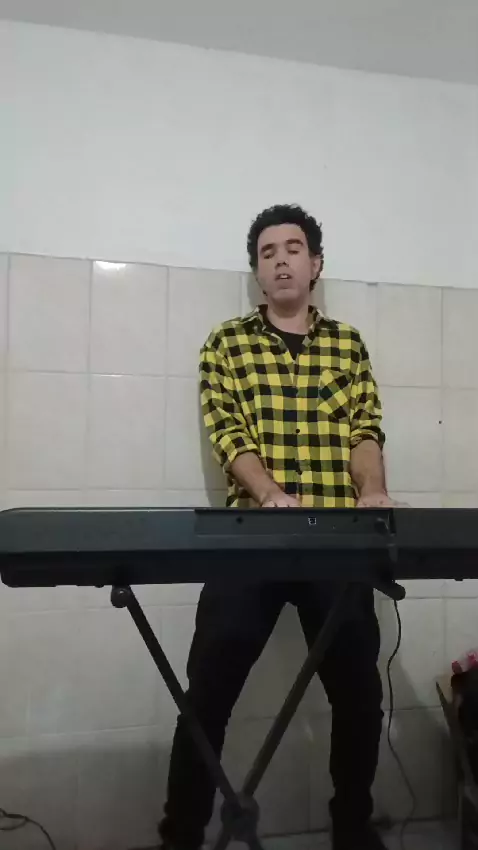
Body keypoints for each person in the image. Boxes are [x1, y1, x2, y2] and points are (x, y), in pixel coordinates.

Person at [159, 204, 394, 850]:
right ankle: (180, 835)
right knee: (207, 696)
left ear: (315, 264)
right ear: (257, 272)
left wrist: (372, 489)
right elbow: (227, 432)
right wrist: (270, 495)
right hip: (249, 539)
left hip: (336, 541)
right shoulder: (226, 343)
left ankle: (352, 829)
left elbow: (365, 429)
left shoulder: (347, 345)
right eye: (267, 253)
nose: (281, 260)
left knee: (359, 696)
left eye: (293, 249)